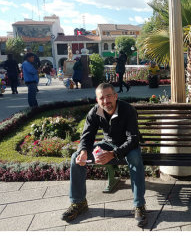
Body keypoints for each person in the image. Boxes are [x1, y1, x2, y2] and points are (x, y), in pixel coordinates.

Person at [61, 83, 147, 227]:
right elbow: (87, 136)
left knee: (135, 158)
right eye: (102, 98)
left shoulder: (127, 110)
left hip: (127, 145)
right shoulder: (95, 112)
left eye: (109, 96)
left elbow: (133, 139)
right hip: (107, 144)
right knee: (75, 158)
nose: (106, 101)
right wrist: (83, 152)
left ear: (115, 96)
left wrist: (113, 154)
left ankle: (139, 206)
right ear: (97, 100)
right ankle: (79, 202)